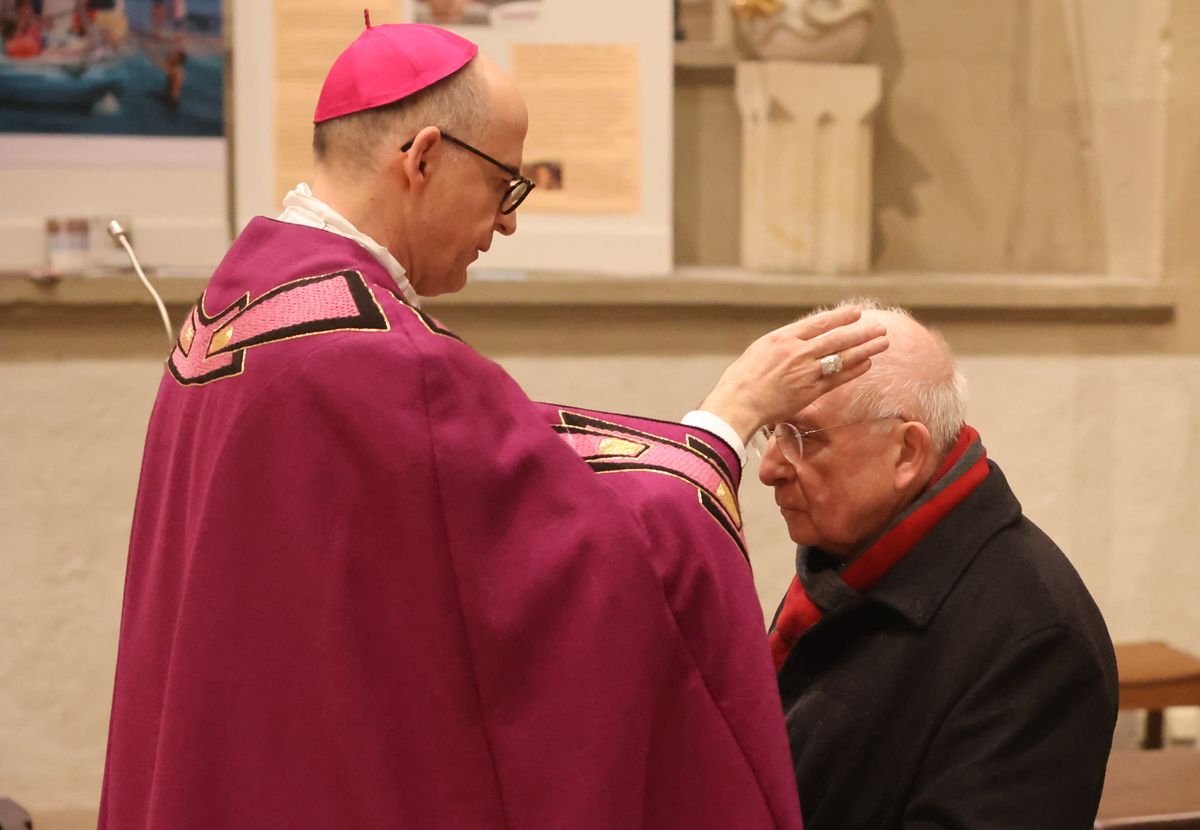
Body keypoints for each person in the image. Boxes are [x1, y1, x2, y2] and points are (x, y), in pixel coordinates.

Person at [98, 20, 888, 829]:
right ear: (424, 157)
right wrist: (730, 420)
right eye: (506, 184)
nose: (509, 222)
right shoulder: (382, 360)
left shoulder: (238, 305)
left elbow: (495, 469)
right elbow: (586, 574)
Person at [758, 299, 1118, 829]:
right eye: (771, 431)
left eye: (803, 438)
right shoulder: (848, 563)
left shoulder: (1038, 640)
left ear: (906, 453)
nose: (769, 469)